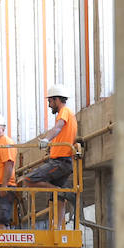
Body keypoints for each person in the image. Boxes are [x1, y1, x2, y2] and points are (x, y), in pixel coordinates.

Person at [18, 83, 78, 222]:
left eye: (50, 101)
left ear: (57, 99)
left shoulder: (64, 112)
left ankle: (62, 192)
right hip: (64, 161)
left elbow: (57, 128)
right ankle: (58, 227)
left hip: (60, 161)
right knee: (58, 197)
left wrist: (46, 139)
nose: (49, 105)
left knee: (29, 179)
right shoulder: (70, 115)